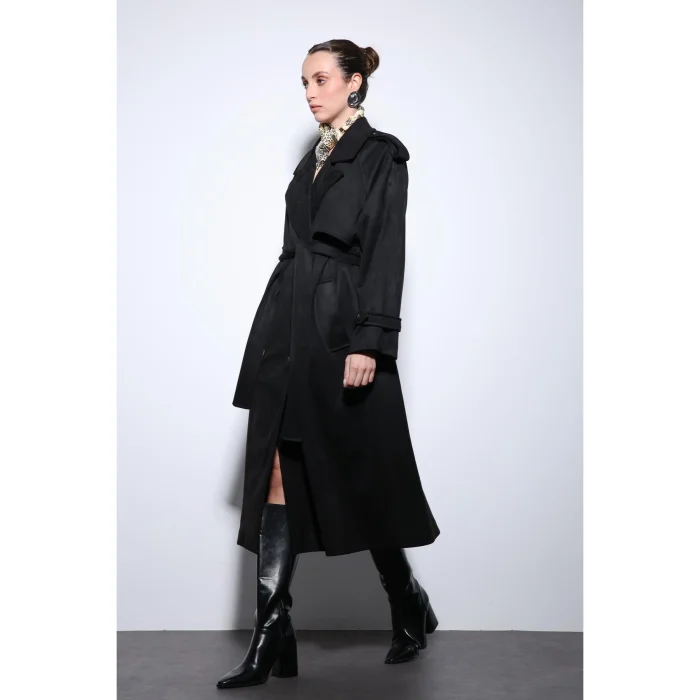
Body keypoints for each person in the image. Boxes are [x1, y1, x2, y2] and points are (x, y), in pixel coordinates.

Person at [216, 39, 441, 690]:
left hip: (341, 331)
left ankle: (406, 598)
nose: (311, 92)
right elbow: (294, 250)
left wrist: (371, 340)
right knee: (277, 468)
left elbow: (386, 250)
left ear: (354, 83)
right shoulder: (308, 163)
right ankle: (270, 632)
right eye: (304, 82)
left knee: (358, 476)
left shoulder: (380, 155)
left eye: (321, 79)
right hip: (287, 329)